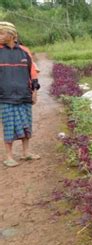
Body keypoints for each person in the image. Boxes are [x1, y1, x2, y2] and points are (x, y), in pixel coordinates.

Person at [0, 21, 41, 167]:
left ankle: (26, 153)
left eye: (2, 33)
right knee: (9, 126)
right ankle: (9, 157)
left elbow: (33, 73)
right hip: (5, 97)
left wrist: (34, 91)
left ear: (11, 35)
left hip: (24, 94)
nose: (0, 36)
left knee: (26, 124)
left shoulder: (24, 51)